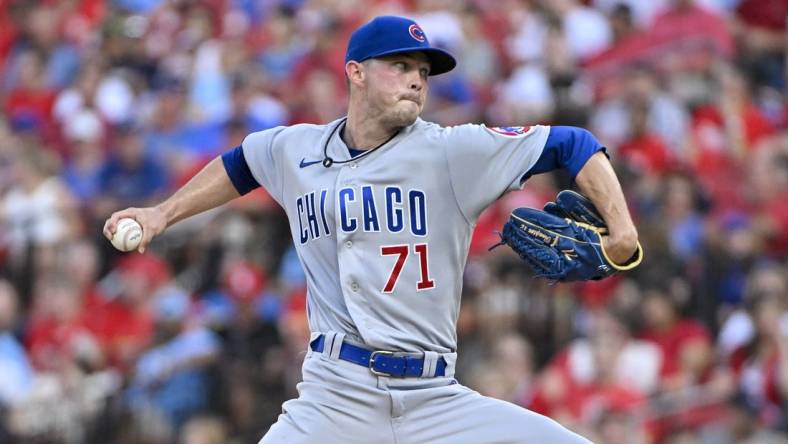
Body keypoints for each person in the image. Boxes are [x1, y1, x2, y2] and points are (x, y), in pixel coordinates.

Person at [104, 15, 639, 444]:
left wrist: (622, 234)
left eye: (424, 73)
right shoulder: (296, 149)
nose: (416, 79)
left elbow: (574, 144)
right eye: (400, 65)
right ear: (355, 72)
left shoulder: (452, 152)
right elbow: (240, 164)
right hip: (335, 397)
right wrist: (161, 214)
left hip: (435, 400)